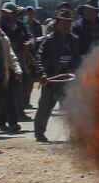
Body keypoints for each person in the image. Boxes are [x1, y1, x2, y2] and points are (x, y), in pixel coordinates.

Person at [34, 8, 80, 143]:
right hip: (51, 80)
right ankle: (39, 133)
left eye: (68, 23)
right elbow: (39, 58)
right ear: (58, 23)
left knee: (72, 109)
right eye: (64, 23)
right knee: (45, 107)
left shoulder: (74, 40)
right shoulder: (49, 40)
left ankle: (75, 134)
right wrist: (42, 74)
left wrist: (78, 73)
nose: (66, 26)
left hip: (68, 80)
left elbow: (77, 59)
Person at [0, 3, 31, 131]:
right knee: (7, 94)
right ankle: (12, 122)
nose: (6, 16)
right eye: (4, 13)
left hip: (17, 64)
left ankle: (1, 121)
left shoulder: (20, 26)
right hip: (3, 65)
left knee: (10, 93)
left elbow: (29, 38)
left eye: (9, 13)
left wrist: (29, 43)